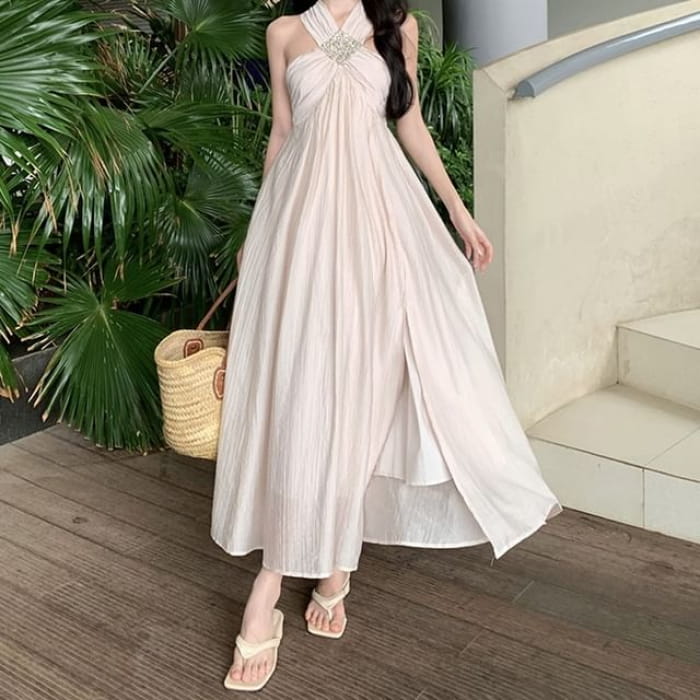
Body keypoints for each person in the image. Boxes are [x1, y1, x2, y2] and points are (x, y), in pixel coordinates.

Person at [211, 0, 563, 691]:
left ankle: (328, 560)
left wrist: (457, 210)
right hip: (301, 231)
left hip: (379, 225)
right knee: (303, 391)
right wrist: (259, 233)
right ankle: (278, 576)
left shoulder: (397, 27)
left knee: (366, 389)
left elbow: (410, 123)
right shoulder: (284, 32)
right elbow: (282, 134)